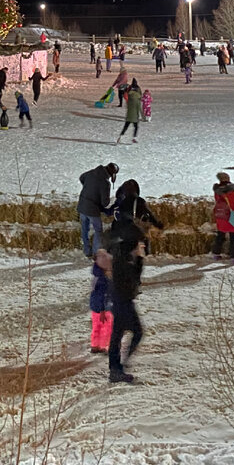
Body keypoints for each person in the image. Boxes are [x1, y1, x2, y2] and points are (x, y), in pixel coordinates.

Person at [100, 220, 147, 383]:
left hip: (120, 299)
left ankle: (117, 368)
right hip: (123, 300)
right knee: (134, 332)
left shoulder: (121, 254)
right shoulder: (124, 260)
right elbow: (133, 279)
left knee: (118, 335)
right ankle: (118, 366)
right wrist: (139, 261)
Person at [76, 162, 119, 257]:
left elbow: (81, 177)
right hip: (92, 210)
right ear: (113, 175)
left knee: (84, 229)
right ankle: (96, 253)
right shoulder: (105, 183)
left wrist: (88, 189)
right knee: (98, 230)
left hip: (82, 205)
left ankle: (87, 251)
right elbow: (105, 203)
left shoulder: (91, 172)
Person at [212, 172, 234, 259]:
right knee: (233, 237)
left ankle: (216, 253)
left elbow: (217, 201)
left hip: (221, 215)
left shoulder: (217, 190)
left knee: (220, 235)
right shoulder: (233, 189)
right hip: (231, 215)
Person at [89, 256, 113, 354]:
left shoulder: (96, 278)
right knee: (106, 327)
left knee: (96, 326)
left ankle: (95, 345)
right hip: (104, 308)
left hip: (95, 307)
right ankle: (104, 345)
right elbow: (104, 295)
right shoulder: (105, 281)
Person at [116, 79, 142, 144]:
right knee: (136, 127)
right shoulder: (137, 94)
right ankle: (134, 138)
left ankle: (120, 137)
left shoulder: (130, 97)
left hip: (129, 115)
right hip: (135, 116)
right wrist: (143, 117)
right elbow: (139, 109)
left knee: (126, 126)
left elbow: (126, 96)